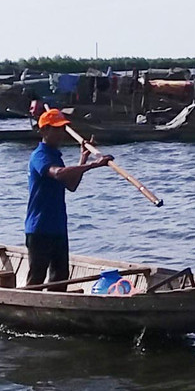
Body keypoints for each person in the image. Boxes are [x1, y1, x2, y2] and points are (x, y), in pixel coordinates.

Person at [24, 107, 113, 287]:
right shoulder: (39, 155)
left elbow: (71, 185)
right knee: (36, 279)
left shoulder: (56, 156)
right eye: (56, 129)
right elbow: (58, 173)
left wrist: (83, 159)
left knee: (60, 278)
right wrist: (95, 165)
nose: (61, 134)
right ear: (44, 130)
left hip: (58, 227)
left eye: (62, 129)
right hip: (40, 228)